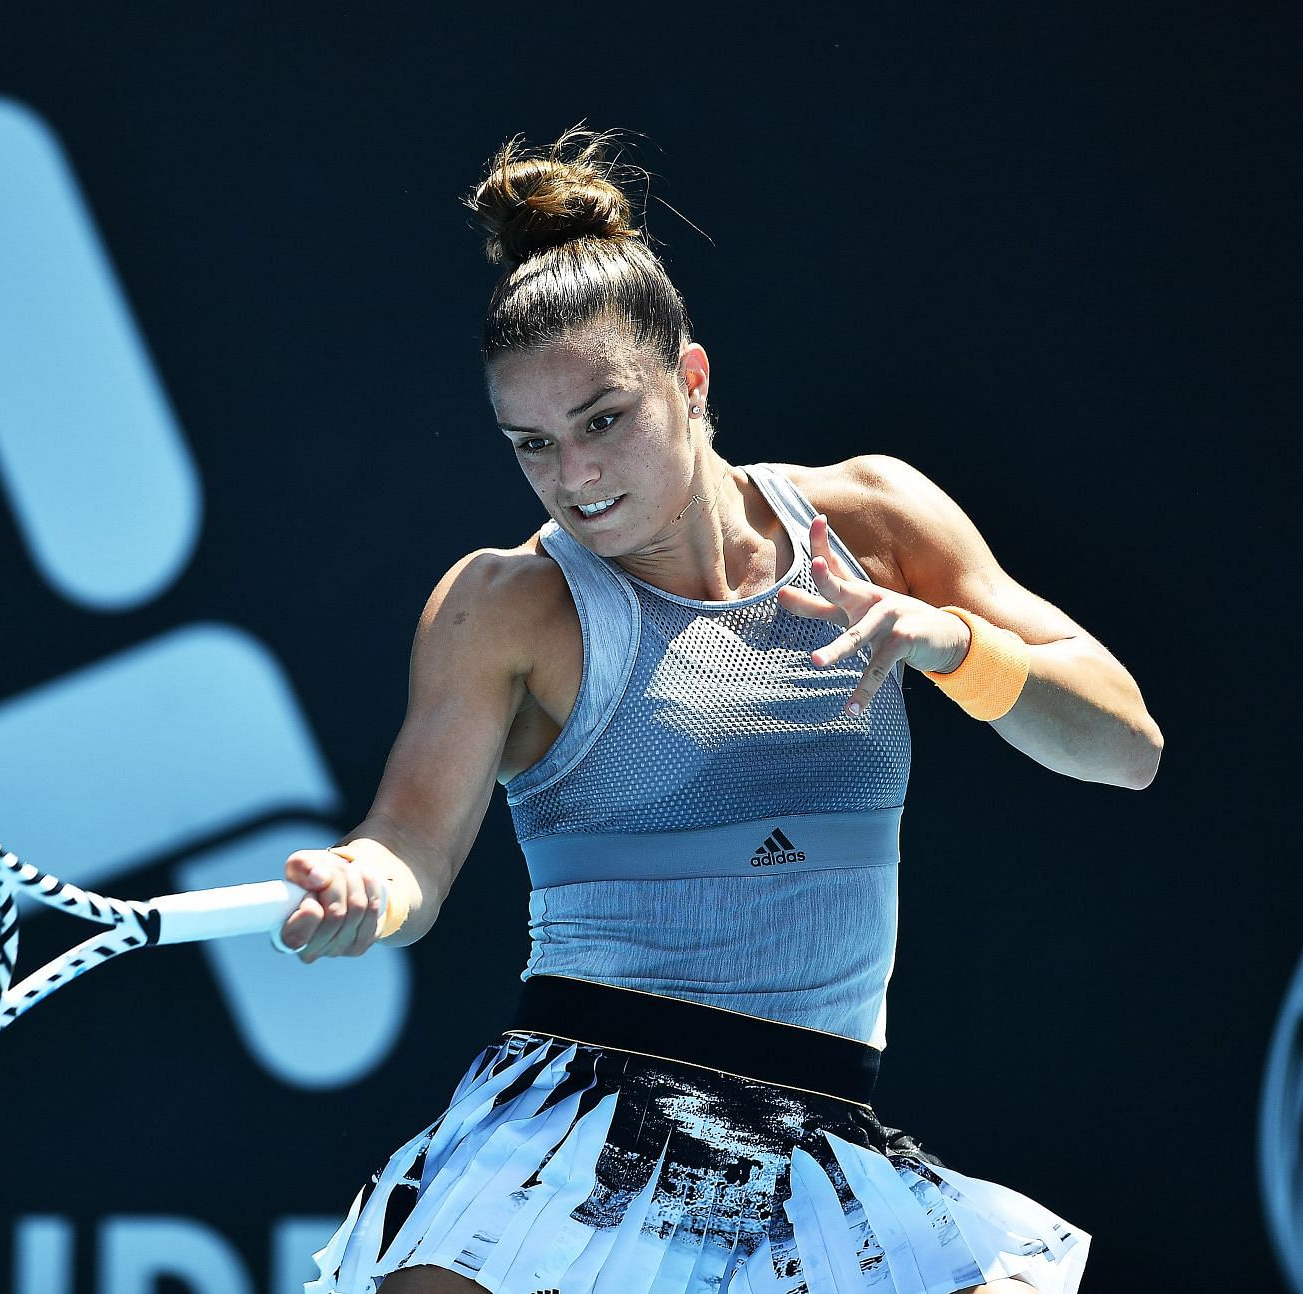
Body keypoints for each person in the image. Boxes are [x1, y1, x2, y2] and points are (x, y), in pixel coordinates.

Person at [278, 128, 1162, 1294]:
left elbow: (1127, 746)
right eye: (532, 445)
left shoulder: (878, 521)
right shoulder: (505, 603)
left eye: (605, 419)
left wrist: (957, 644)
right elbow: (409, 847)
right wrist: (366, 885)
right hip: (575, 1126)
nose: (576, 475)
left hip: (825, 1150)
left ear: (691, 380)